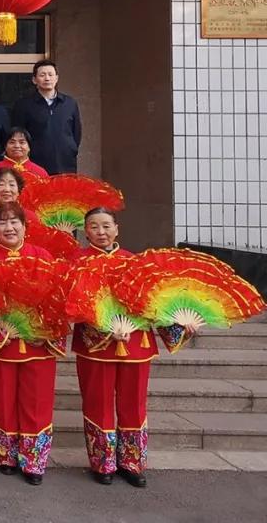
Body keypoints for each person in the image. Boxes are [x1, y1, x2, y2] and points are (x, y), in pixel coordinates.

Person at [73, 207, 194, 488]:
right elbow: (73, 307)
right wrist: (104, 327)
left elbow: (155, 304)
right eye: (94, 226)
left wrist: (179, 325)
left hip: (137, 343)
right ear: (85, 231)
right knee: (98, 403)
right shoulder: (76, 263)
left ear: (117, 229)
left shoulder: (136, 262)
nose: (101, 232)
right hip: (96, 346)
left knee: (134, 405)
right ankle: (102, 462)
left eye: (106, 226)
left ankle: (132, 463)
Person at [0, 202, 60, 485]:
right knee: (2, 399)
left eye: (14, 222)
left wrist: (41, 328)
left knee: (37, 402)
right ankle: (6, 456)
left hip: (37, 342)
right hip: (2, 341)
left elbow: (56, 300)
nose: (9, 228)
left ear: (25, 226)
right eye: (2, 222)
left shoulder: (43, 257)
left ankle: (34, 461)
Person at [11, 59, 82, 174]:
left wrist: (71, 149)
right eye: (42, 75)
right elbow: (18, 133)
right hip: (35, 164)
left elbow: (76, 132)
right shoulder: (24, 105)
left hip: (65, 163)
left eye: (50, 74)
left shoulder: (69, 103)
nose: (47, 78)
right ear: (34, 80)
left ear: (56, 78)